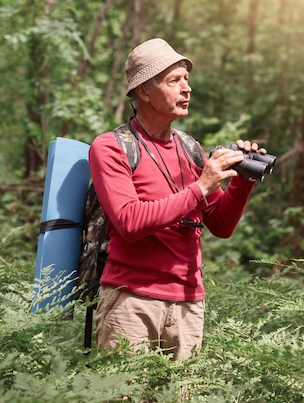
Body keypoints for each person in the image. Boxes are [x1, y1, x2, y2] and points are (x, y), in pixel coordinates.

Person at [88, 38, 265, 360]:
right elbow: (129, 221)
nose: (187, 89)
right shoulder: (111, 147)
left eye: (187, 79)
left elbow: (221, 226)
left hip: (188, 303)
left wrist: (242, 181)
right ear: (143, 91)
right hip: (131, 300)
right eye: (174, 81)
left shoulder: (190, 148)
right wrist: (201, 187)